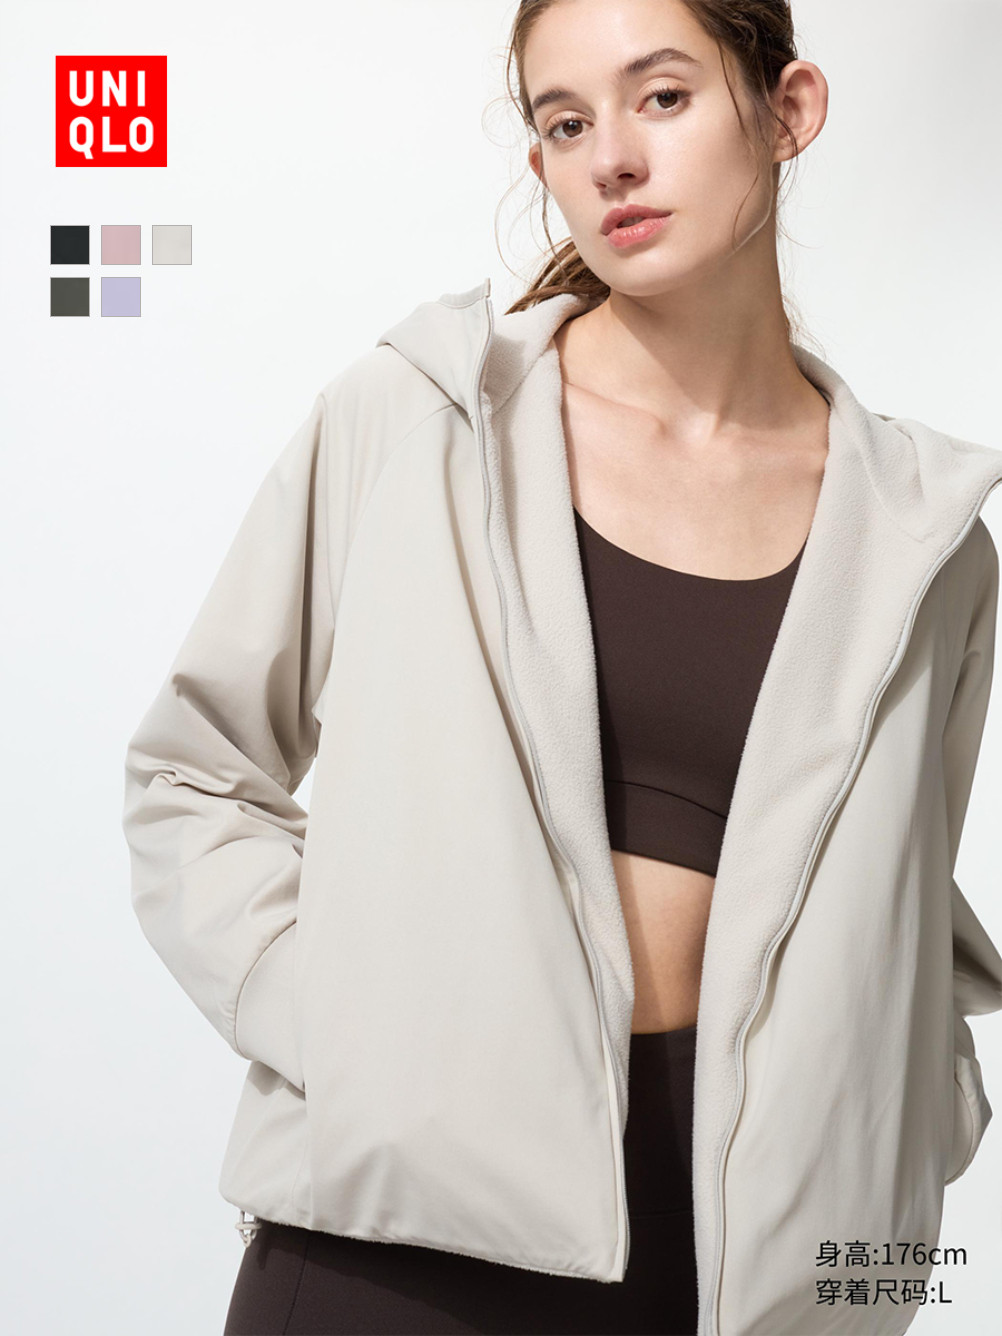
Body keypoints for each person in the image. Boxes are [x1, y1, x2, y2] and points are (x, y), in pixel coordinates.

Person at [121, 2, 1002, 1333]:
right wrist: (353, 1037)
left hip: (730, 1266)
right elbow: (192, 775)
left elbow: (902, 906)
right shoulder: (422, 420)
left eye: (663, 98)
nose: (612, 159)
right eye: (567, 122)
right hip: (398, 1243)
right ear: (540, 163)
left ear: (788, 111)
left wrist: (891, 1151)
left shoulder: (923, 540)